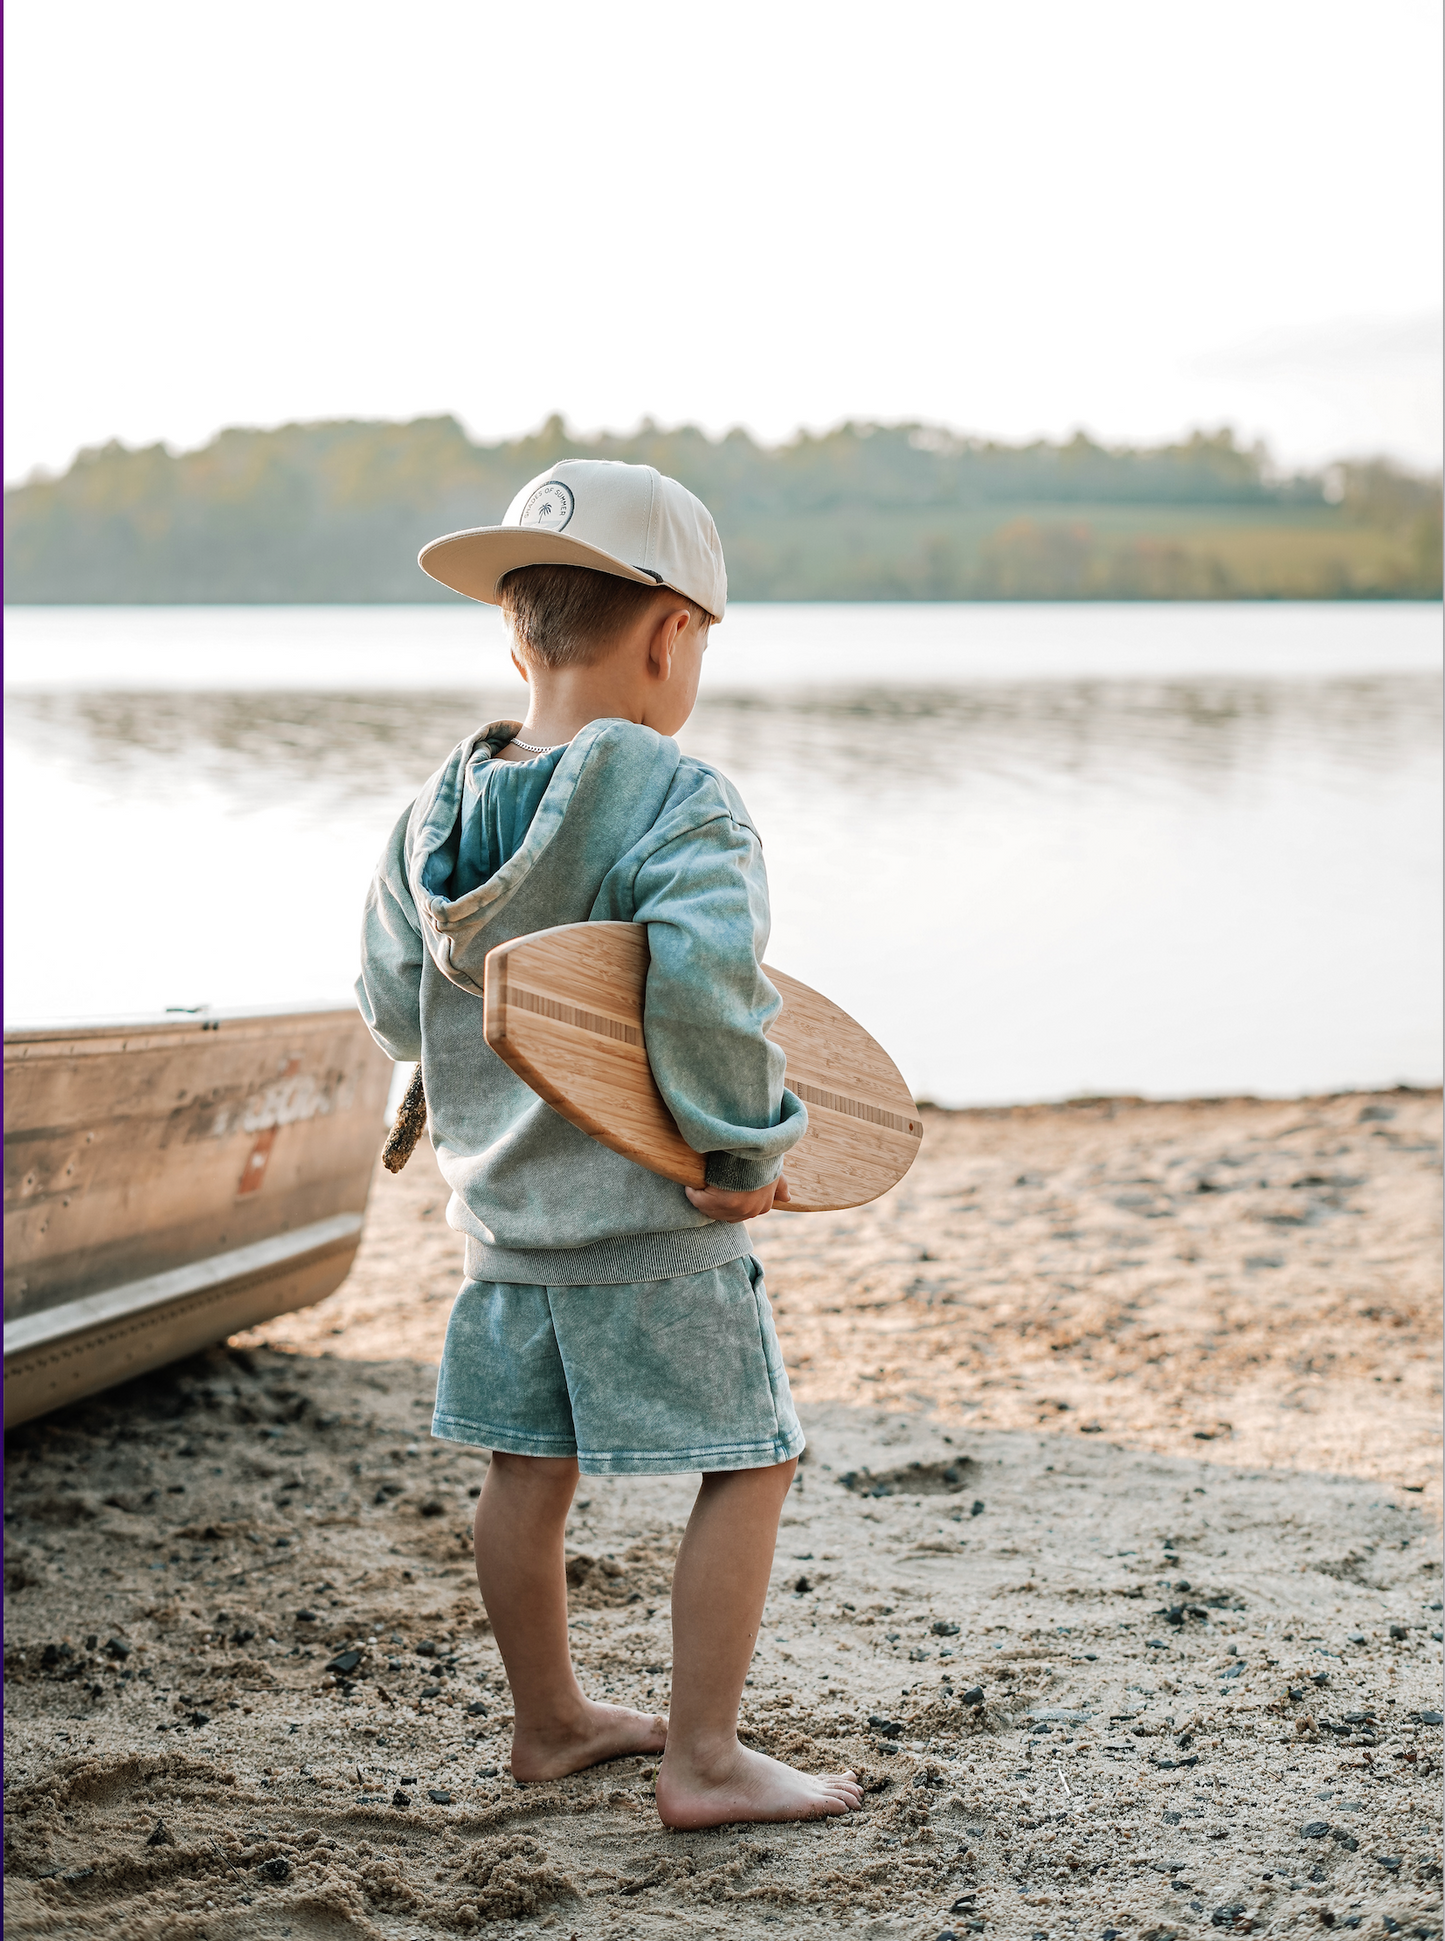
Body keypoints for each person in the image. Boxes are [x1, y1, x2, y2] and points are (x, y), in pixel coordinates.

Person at [356, 459, 861, 1827]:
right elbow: (707, 997)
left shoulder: (431, 817)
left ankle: (551, 1723)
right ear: (671, 636)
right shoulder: (679, 804)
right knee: (751, 1458)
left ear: (517, 633)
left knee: (531, 1466)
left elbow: (386, 995)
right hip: (648, 1224)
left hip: (502, 1219)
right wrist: (746, 1151)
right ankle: (704, 1759)